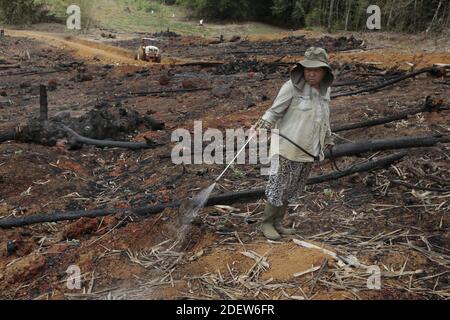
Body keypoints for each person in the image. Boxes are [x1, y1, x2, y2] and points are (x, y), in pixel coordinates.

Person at [255, 47, 335, 240]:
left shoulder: (325, 90)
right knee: (278, 186)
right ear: (302, 69)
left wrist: (328, 137)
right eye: (308, 69)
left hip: (307, 150)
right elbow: (275, 111)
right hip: (285, 148)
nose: (312, 73)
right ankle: (266, 223)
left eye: (316, 69)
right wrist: (264, 123)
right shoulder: (291, 87)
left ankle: (278, 222)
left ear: (325, 71)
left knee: (291, 188)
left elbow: (323, 118)